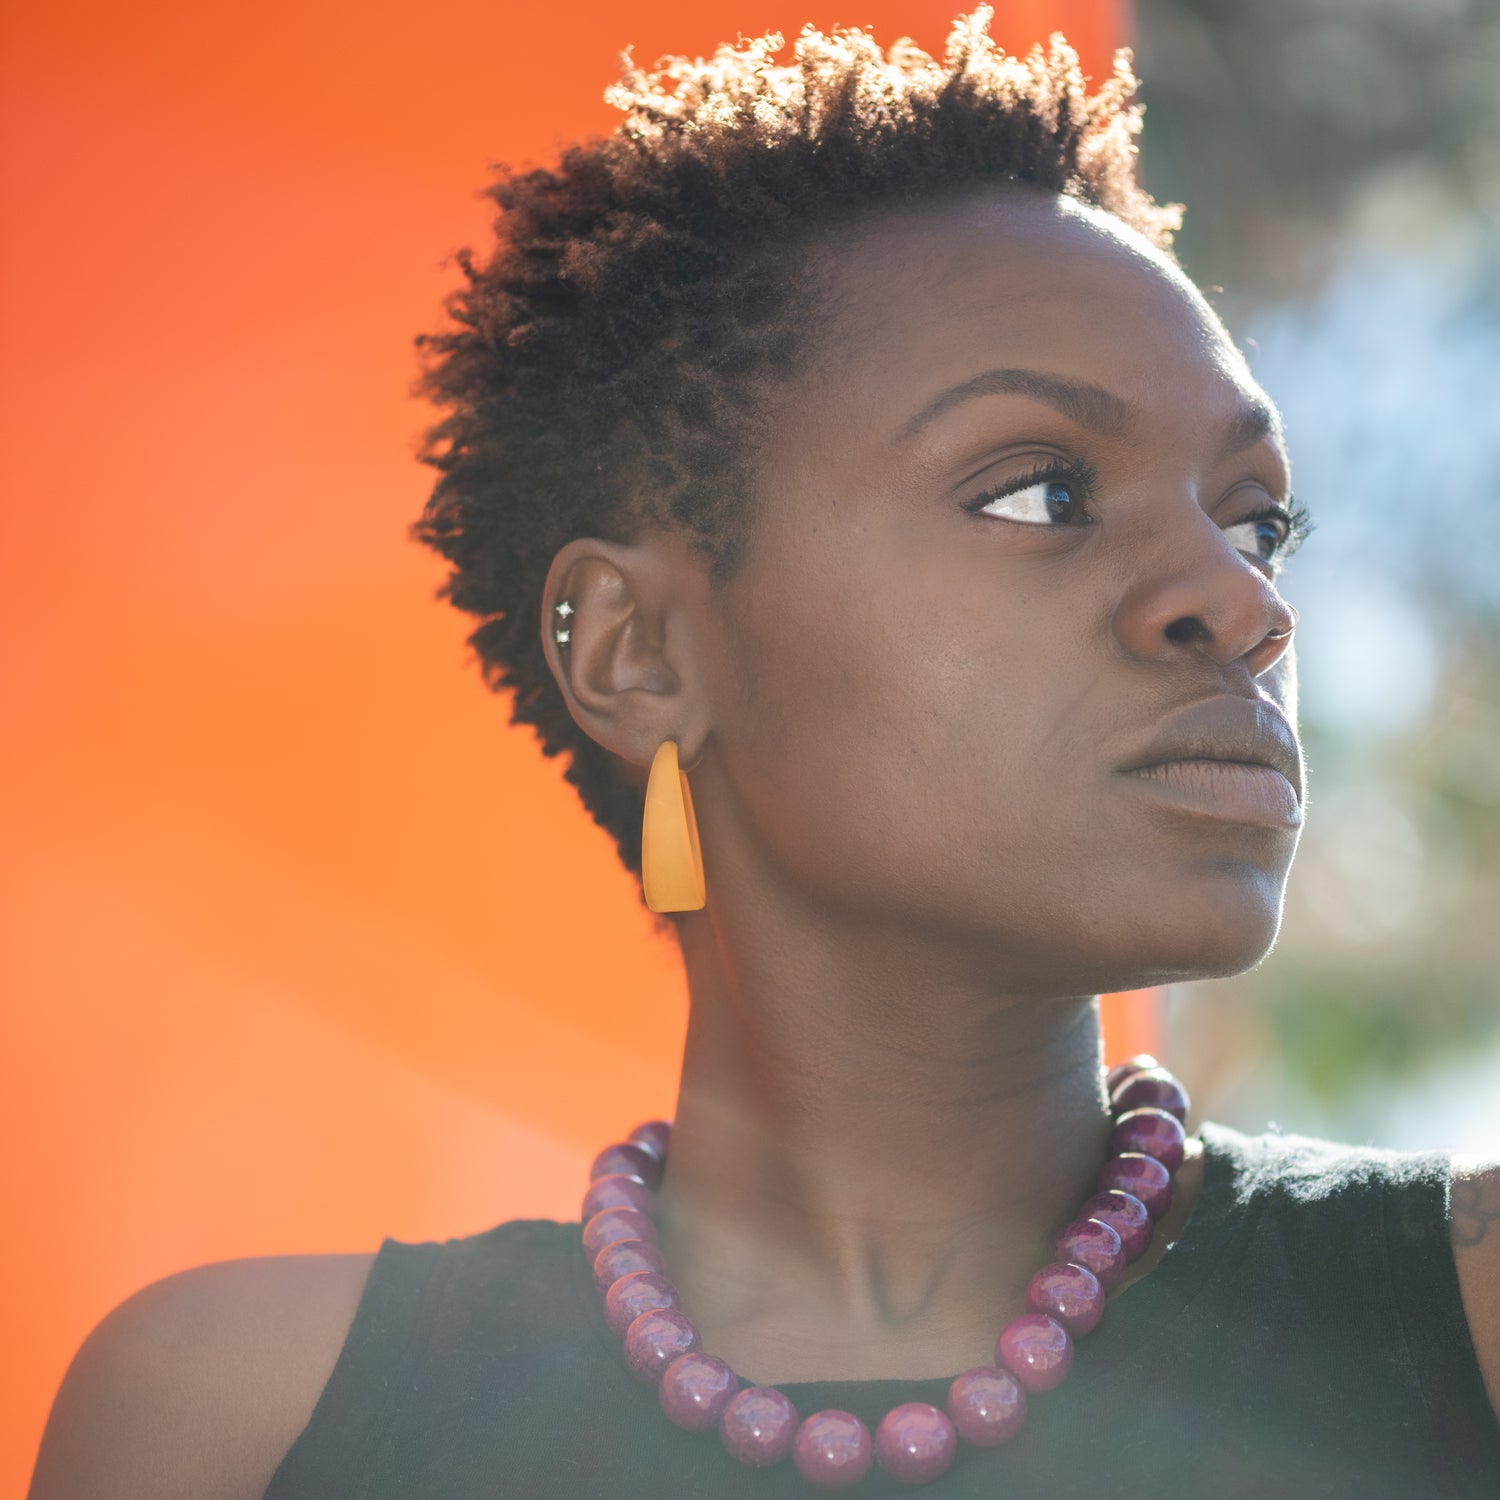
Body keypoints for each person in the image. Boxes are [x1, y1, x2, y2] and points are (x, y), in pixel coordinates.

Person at [27, 7, 1500, 1496]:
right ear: (637, 650)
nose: (1241, 600)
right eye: (1040, 493)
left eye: (1255, 520)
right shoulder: (241, 1425)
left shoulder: (1471, 1329)